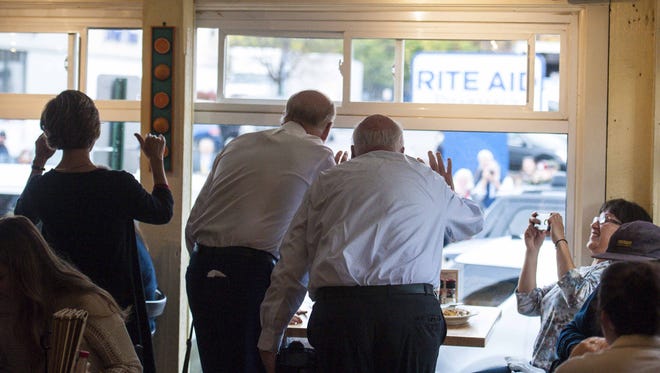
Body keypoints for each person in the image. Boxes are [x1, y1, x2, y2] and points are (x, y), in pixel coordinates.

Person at [258, 114, 484, 373]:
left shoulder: (327, 181)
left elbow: (292, 263)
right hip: (411, 315)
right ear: (402, 151)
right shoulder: (429, 180)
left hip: (341, 314)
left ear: (354, 151)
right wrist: (448, 191)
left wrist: (271, 338)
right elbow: (473, 223)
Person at [185, 89, 345, 373]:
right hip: (252, 273)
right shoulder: (320, 154)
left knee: (215, 365)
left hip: (201, 267)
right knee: (253, 364)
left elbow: (195, 222)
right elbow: (323, 228)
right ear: (328, 128)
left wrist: (207, 264)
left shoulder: (238, 144)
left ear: (285, 115)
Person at [14, 89, 173, 373]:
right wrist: (156, 163)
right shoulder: (118, 184)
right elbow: (162, 212)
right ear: (95, 133)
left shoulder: (44, 187)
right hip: (114, 305)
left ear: (50, 136)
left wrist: (38, 163)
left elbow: (22, 215)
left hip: (62, 303)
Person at [511, 199, 652, 371]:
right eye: (596, 218)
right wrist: (532, 250)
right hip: (538, 366)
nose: (594, 224)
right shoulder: (582, 271)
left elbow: (576, 296)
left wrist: (559, 240)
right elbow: (527, 304)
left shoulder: (617, 276)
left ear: (627, 233)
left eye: (606, 219)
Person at [0, 215, 142, 372]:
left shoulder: (83, 303)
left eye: (0, 277)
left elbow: (131, 367)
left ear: (26, 271)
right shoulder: (9, 310)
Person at [554, 220, 660, 371]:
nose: (627, 275)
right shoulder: (613, 289)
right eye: (615, 263)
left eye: (636, 265)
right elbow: (569, 331)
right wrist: (578, 347)